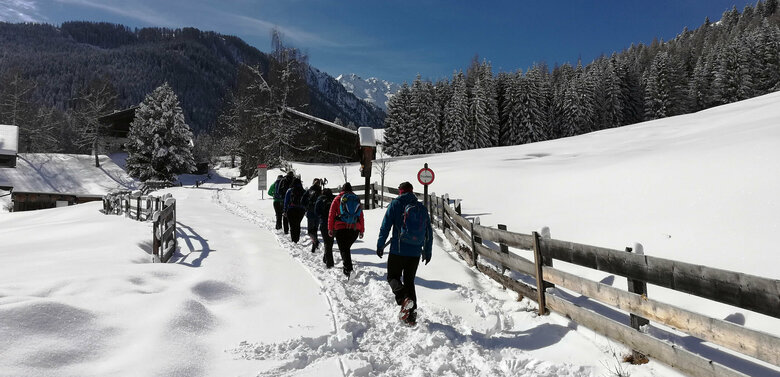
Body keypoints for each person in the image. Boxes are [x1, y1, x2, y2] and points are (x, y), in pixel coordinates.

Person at [376, 181, 432, 326]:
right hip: (415, 252)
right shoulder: (421, 208)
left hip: (398, 249)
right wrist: (427, 250)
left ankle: (403, 298)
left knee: (392, 276)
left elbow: (385, 225)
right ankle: (411, 317)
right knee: (409, 281)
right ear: (412, 191)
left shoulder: (396, 204)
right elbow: (428, 232)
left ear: (400, 191)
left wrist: (380, 244)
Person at [328, 182, 364, 278]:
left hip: (340, 228)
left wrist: (330, 228)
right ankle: (347, 270)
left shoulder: (337, 199)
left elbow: (331, 215)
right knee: (345, 248)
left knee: (344, 249)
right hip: (355, 228)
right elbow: (361, 216)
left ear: (342, 190)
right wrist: (362, 230)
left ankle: (348, 270)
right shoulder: (356, 199)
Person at [315, 188, 336, 268]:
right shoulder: (333, 199)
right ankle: (326, 258)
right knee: (330, 242)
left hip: (324, 223)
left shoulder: (320, 199)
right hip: (333, 223)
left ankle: (330, 263)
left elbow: (316, 211)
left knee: (326, 242)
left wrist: (321, 217)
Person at [302, 178, 323, 253]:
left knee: (310, 231)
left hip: (310, 213)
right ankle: (314, 248)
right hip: (318, 214)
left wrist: (306, 207)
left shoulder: (309, 191)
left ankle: (316, 243)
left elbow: (302, 200)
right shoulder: (321, 192)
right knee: (315, 230)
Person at [284, 177, 307, 243]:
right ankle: (297, 239)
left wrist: (285, 210)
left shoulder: (290, 190)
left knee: (292, 225)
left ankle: (293, 239)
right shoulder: (303, 191)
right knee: (297, 224)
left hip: (291, 209)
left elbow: (286, 201)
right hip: (301, 210)